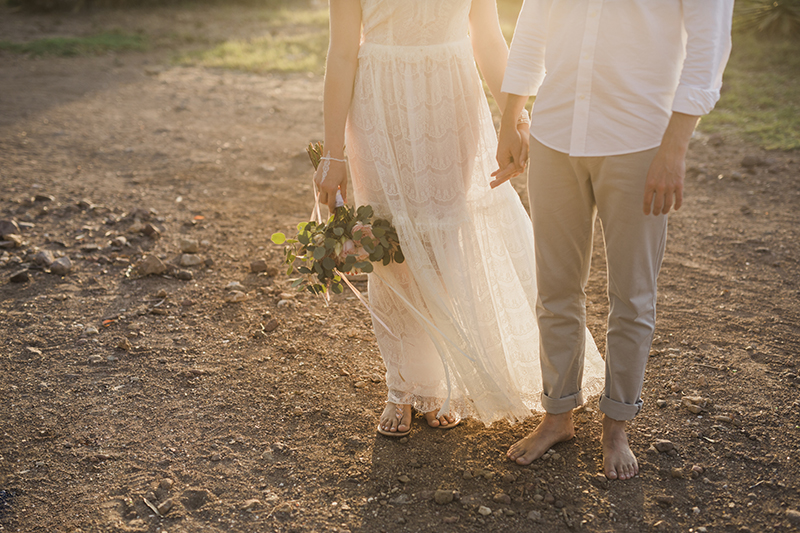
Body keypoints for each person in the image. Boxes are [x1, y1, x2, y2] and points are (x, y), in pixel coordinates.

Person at [314, 0, 606, 436]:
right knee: (390, 248)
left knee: (447, 241)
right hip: (379, 106)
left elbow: (487, 37)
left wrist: (517, 115)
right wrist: (333, 151)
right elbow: (341, 52)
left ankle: (439, 385)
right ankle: (404, 387)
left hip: (449, 98)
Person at [493, 0, 734, 479]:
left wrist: (675, 148)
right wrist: (510, 117)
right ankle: (557, 415)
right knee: (556, 289)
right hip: (555, 133)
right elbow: (534, 23)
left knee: (632, 295)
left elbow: (708, 49)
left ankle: (617, 424)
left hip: (640, 140)